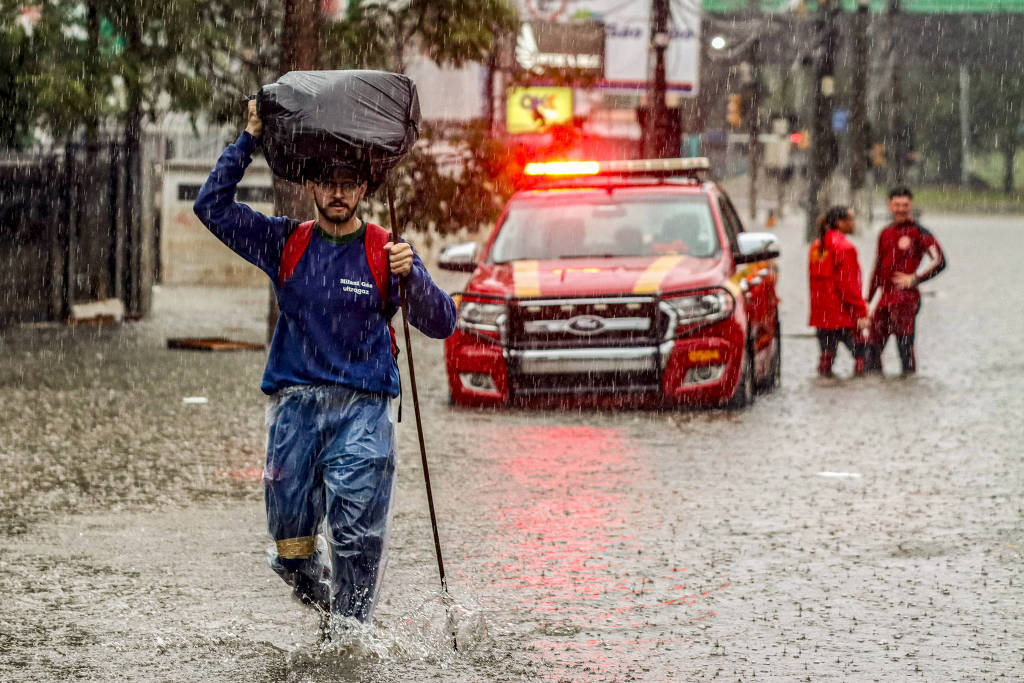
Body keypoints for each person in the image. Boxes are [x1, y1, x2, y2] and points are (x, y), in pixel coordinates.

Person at [193, 100, 457, 625]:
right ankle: (328, 611)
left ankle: (348, 641)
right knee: (291, 554)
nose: (339, 193)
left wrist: (416, 278)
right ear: (311, 187)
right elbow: (212, 207)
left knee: (357, 542)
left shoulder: (387, 250)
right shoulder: (284, 241)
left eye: (350, 183)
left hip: (364, 411)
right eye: (329, 183)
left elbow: (443, 322)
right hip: (293, 413)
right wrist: (248, 138)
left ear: (363, 190)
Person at [864, 186, 946, 375]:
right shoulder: (885, 232)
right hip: (885, 300)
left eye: (905, 205)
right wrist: (867, 300)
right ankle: (874, 394)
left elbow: (940, 260)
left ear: (911, 205)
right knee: (871, 351)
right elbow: (877, 268)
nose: (901, 209)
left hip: (905, 301)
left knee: (905, 349)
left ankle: (907, 390)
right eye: (897, 205)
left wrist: (916, 278)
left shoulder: (919, 232)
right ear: (890, 206)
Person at [808, 205, 869, 377]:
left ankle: (825, 391)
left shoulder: (816, 245)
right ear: (840, 223)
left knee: (826, 357)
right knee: (861, 356)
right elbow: (848, 285)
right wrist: (861, 312)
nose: (854, 223)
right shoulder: (845, 248)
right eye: (851, 220)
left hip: (822, 314)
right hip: (843, 314)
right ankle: (858, 393)